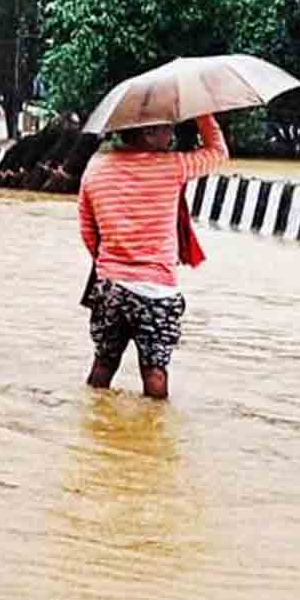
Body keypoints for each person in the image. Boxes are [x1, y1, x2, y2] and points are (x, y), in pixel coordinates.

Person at [78, 115, 229, 399]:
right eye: (165, 126)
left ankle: (92, 427)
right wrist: (204, 114)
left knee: (104, 363)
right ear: (148, 132)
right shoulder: (171, 166)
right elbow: (219, 152)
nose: (171, 132)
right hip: (157, 290)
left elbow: (87, 229)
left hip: (110, 286)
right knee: (155, 370)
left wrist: (111, 263)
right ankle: (153, 435)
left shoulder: (96, 168)